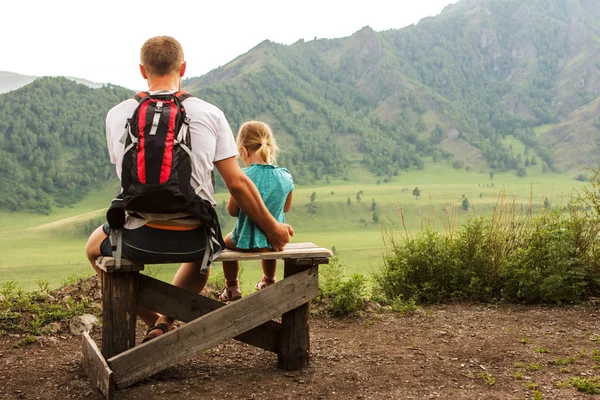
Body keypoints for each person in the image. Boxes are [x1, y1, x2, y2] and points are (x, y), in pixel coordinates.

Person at [84, 36, 293, 341]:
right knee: (203, 262)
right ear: (183, 67)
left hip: (137, 239)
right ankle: (164, 321)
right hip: (195, 241)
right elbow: (237, 183)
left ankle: (152, 319)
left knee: (93, 248)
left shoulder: (117, 114)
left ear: (143, 71)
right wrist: (273, 228)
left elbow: (126, 173)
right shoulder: (210, 113)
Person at [218, 121, 294, 302]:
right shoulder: (285, 175)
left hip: (243, 240)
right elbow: (286, 208)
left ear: (243, 151)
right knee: (269, 245)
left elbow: (232, 211)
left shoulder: (242, 176)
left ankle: (232, 287)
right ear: (271, 148)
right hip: (273, 242)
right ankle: (268, 280)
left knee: (224, 243)